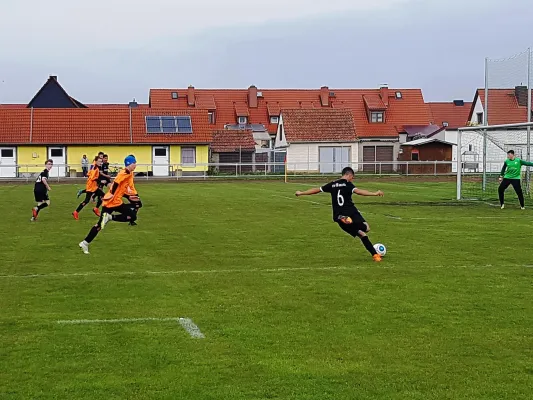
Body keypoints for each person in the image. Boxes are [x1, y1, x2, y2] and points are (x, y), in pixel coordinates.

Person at [295, 166, 384, 262]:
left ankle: (375, 255)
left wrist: (301, 193)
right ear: (349, 175)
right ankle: (349, 220)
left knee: (362, 234)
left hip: (338, 216)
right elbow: (359, 191)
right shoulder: (348, 184)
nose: (352, 179)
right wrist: (374, 193)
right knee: (366, 228)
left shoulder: (332, 184)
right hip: (351, 211)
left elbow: (317, 190)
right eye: (352, 177)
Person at [79, 155, 138, 254]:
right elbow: (116, 183)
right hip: (114, 202)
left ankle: (85, 243)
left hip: (110, 202)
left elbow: (123, 187)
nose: (135, 165)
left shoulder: (129, 173)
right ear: (129, 164)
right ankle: (110, 217)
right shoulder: (124, 173)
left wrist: (130, 195)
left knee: (99, 225)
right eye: (134, 163)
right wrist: (112, 193)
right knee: (133, 216)